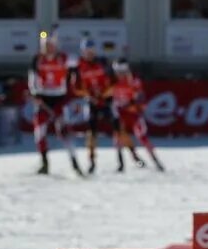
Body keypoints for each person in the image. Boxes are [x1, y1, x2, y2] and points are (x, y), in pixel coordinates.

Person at [27, 28, 76, 176]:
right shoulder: (37, 59)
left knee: (64, 131)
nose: (48, 48)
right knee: (39, 132)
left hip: (59, 98)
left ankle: (74, 161)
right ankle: (44, 162)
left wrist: (72, 88)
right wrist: (34, 94)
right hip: (43, 98)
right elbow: (32, 79)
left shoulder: (63, 58)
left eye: (51, 44)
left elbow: (77, 68)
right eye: (45, 45)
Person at [108, 58, 163, 172]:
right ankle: (122, 164)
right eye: (117, 71)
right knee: (118, 137)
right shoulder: (112, 81)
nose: (119, 74)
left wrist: (133, 105)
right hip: (120, 113)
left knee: (142, 136)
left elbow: (141, 99)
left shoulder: (134, 81)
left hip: (133, 114)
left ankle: (156, 162)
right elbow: (107, 95)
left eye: (121, 71)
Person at [72, 38, 111, 175]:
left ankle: (131, 157)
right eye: (87, 51)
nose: (90, 54)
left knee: (119, 126)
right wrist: (88, 95)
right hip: (91, 102)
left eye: (92, 51)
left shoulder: (102, 62)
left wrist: (104, 94)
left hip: (106, 100)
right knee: (91, 131)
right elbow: (75, 87)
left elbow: (112, 81)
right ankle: (92, 161)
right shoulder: (79, 66)